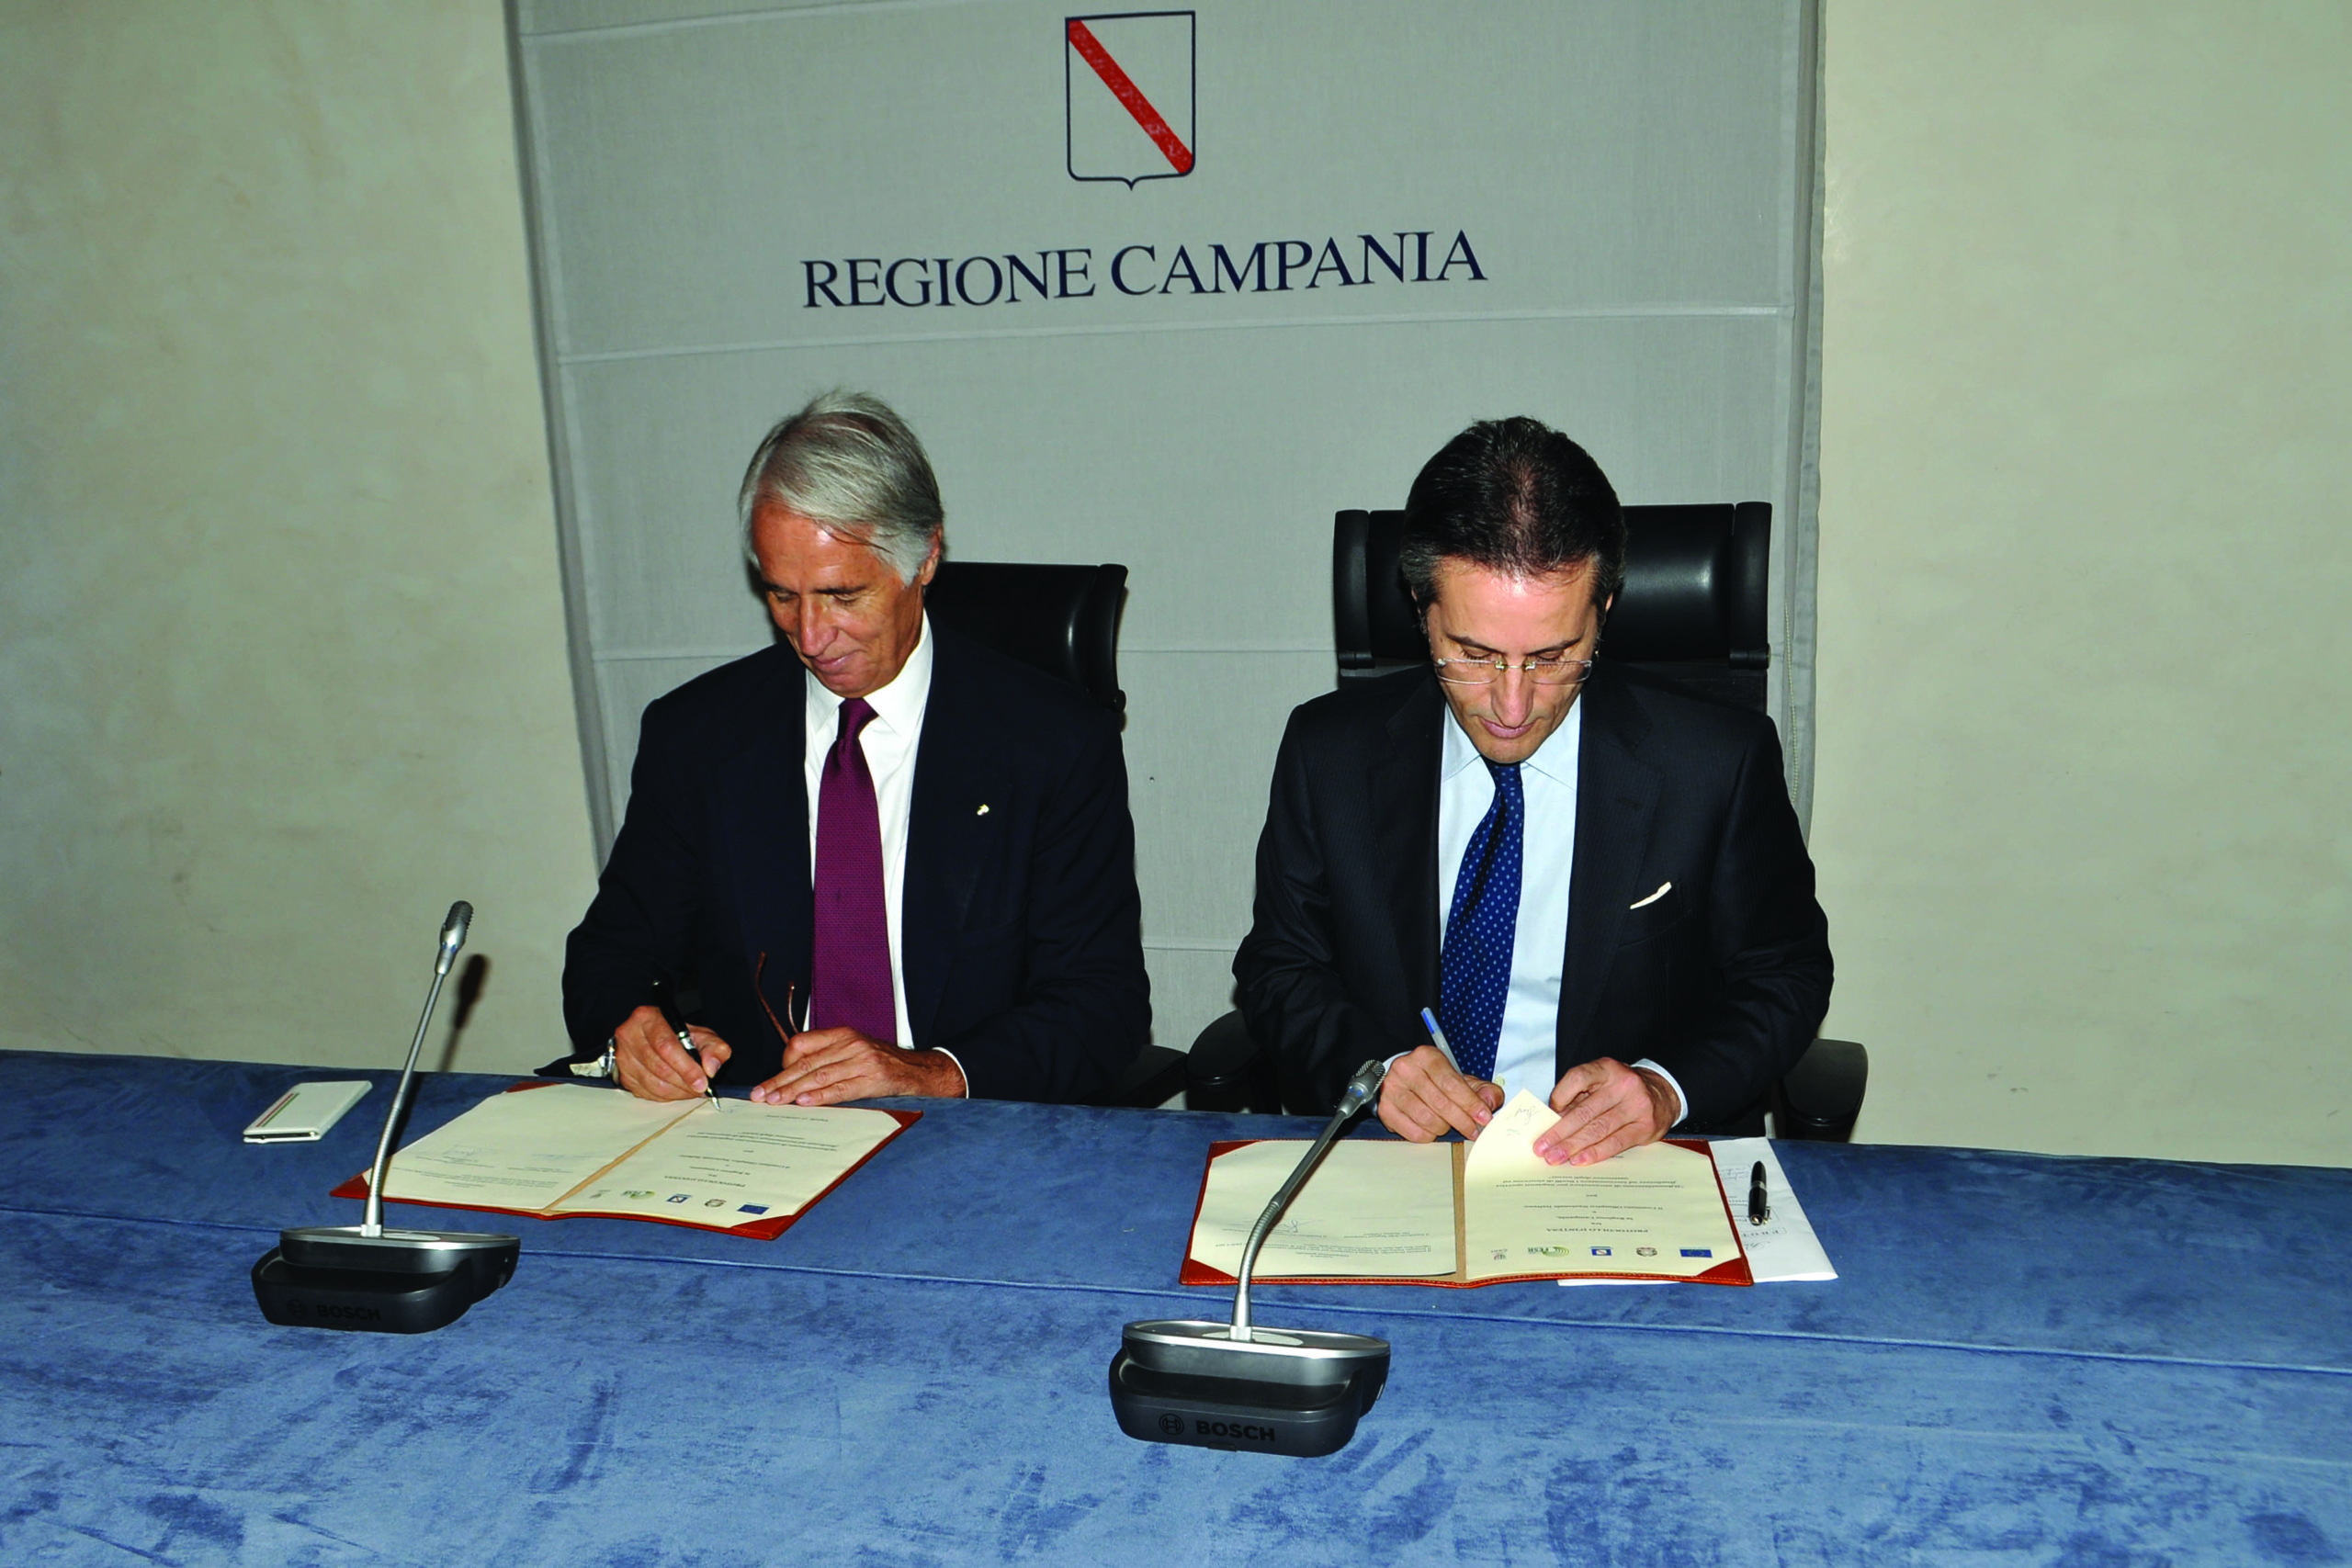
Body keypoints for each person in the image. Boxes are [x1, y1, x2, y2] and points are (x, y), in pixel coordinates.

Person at [1233, 417, 1830, 1165]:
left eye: (1553, 657)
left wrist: (1664, 1088)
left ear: (1603, 614)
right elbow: (1278, 967)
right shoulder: (1330, 754)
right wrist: (1378, 1067)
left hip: (1621, 1171)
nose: (1512, 706)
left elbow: (1786, 974)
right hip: (1399, 1160)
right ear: (1420, 607)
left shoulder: (1715, 762)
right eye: (1473, 654)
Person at [562, 392, 1150, 1106]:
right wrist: (634, 1029)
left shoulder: (1051, 744)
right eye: (782, 595)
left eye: (842, 596)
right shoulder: (699, 736)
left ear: (925, 556)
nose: (810, 637)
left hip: (965, 1133)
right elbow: (609, 953)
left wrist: (932, 1071)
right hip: (757, 1129)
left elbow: (1101, 1005)